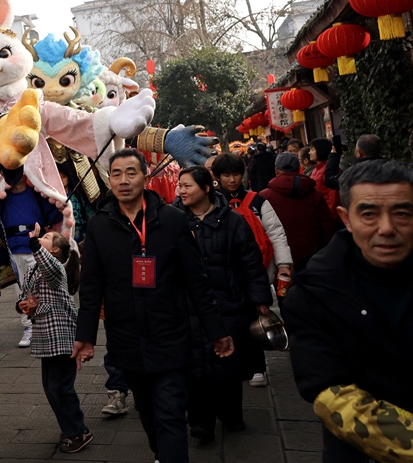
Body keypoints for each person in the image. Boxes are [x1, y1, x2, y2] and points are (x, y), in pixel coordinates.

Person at [73, 149, 233, 463]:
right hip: (126, 338)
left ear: (146, 178)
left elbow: (196, 281)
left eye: (130, 173)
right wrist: (86, 336)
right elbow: (91, 288)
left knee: (171, 413)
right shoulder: (99, 226)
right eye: (116, 174)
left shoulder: (172, 220)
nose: (123, 181)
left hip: (170, 335)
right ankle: (162, 453)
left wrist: (217, 330)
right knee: (147, 413)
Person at [282, 160, 413, 462]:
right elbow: (333, 395)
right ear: (346, 218)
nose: (387, 228)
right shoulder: (314, 293)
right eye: (368, 214)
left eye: (402, 213)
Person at [173, 167, 272, 444]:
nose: (181, 191)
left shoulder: (233, 221)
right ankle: (200, 422)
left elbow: (251, 264)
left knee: (228, 364)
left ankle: (231, 414)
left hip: (229, 303)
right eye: (179, 186)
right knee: (195, 367)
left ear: (206, 189)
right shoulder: (173, 221)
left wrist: (260, 299)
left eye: (187, 186)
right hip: (190, 307)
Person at [17, 231, 93, 454]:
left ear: (54, 250)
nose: (42, 237)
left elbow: (47, 264)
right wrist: (23, 305)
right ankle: (69, 428)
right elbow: (26, 296)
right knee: (51, 388)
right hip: (44, 337)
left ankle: (79, 431)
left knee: (60, 387)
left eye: (47, 237)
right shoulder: (33, 270)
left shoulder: (56, 268)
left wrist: (33, 241)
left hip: (61, 335)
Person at [0, 177, 62, 347]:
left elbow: (52, 213)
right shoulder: (3, 196)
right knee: (20, 288)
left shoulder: (37, 194)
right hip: (13, 247)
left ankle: (42, 323)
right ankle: (28, 326)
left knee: (38, 286)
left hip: (35, 246)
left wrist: (62, 203)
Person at [261, 152, 337, 272]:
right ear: (298, 169)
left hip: (280, 262)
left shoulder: (265, 196)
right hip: (313, 258)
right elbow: (327, 227)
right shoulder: (315, 195)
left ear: (276, 171)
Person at [309, 139, 340, 217]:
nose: (309, 152)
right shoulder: (315, 169)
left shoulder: (330, 169)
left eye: (312, 149)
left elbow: (333, 196)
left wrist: (330, 217)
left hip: (329, 215)